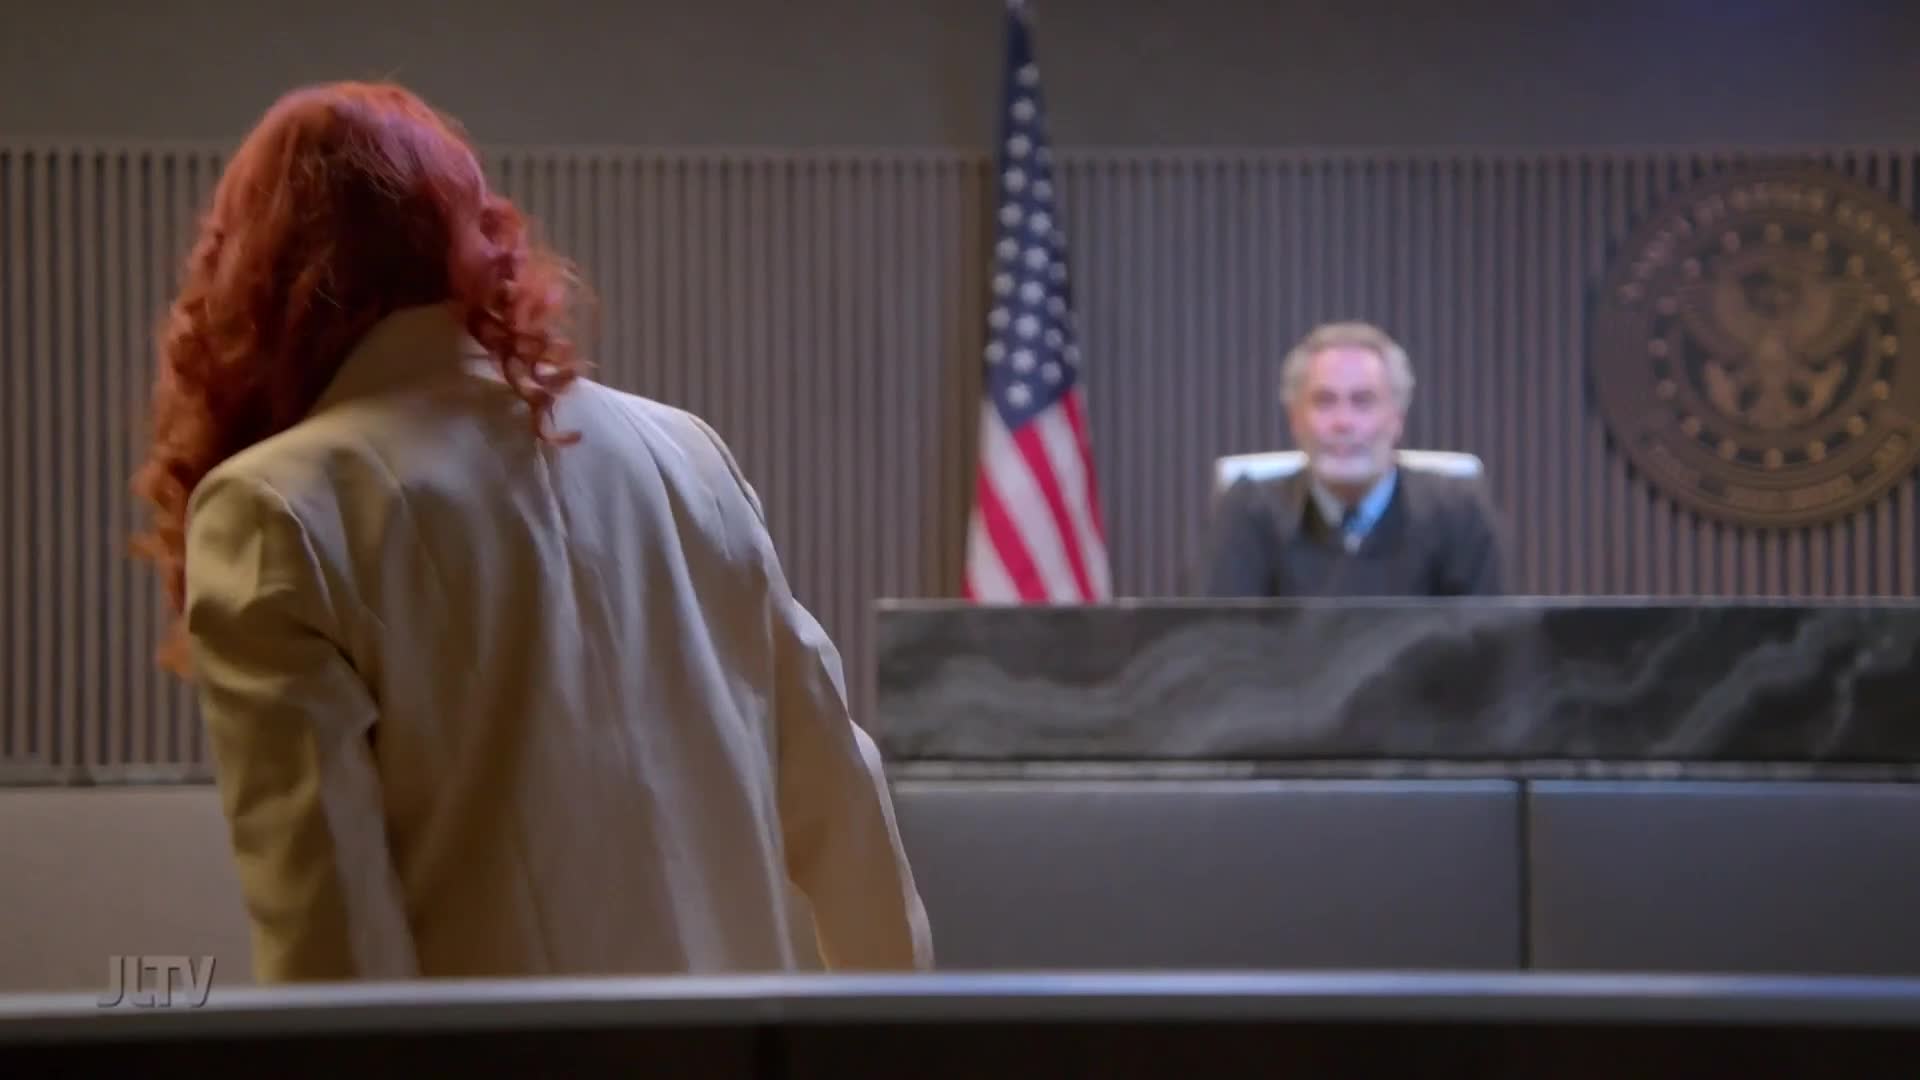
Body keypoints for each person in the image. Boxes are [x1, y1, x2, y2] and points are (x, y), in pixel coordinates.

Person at [130, 81, 932, 982]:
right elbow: (845, 813)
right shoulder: (687, 455)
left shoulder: (275, 509)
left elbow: (333, 953)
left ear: (258, 284)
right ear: (473, 241)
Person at [1199, 321, 1505, 597]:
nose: (1343, 422)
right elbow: (1218, 647)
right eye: (1324, 402)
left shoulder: (1458, 515)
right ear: (1295, 419)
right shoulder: (1247, 512)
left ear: (1396, 418)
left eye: (1362, 402)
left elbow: (1490, 647)